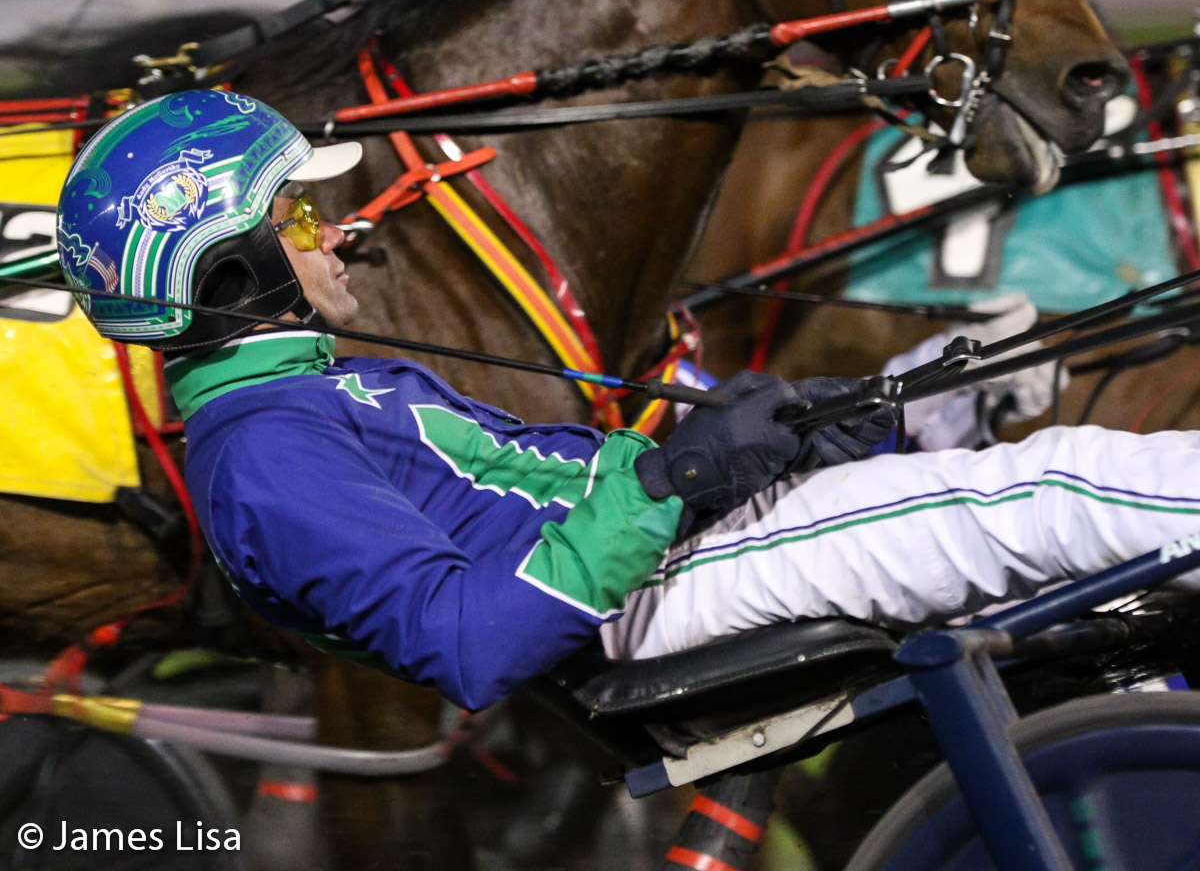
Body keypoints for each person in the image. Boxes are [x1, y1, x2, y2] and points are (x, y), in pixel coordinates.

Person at [59, 91, 1200, 710]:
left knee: (974, 409)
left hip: (675, 554)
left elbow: (556, 489)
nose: (338, 228)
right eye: (298, 222)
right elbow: (463, 643)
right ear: (228, 271)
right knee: (1054, 488)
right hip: (654, 604)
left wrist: (765, 438)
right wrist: (679, 480)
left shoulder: (313, 392)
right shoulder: (266, 456)